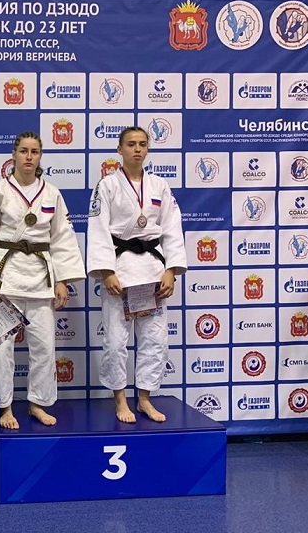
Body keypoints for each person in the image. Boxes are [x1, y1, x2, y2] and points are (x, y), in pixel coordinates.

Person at [0, 132, 86, 429]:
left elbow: (61, 239)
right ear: (14, 154)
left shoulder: (51, 193)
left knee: (44, 347)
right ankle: (5, 406)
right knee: (2, 349)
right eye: (23, 151)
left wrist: (62, 280)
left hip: (41, 279)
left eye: (34, 152)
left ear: (40, 156)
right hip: (5, 277)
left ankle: (37, 403)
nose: (29, 157)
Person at [86, 126, 187, 423]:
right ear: (120, 149)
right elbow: (98, 230)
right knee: (116, 342)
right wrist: (106, 272)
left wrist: (171, 270)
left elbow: (172, 229)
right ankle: (120, 400)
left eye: (142, 144)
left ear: (148, 149)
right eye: (131, 144)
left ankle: (144, 398)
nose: (137, 149)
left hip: (152, 273)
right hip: (120, 271)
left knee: (155, 340)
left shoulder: (159, 185)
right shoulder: (106, 185)